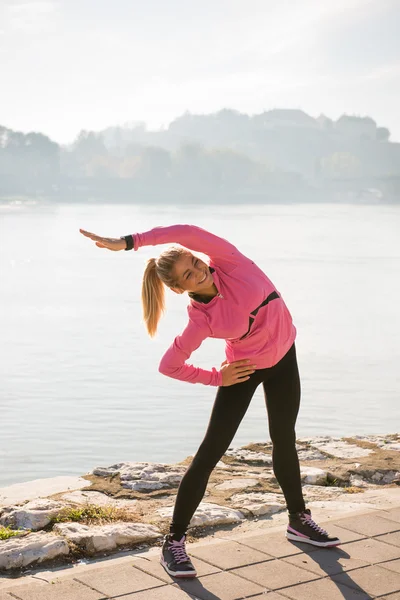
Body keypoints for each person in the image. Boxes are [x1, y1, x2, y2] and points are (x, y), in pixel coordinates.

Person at [79, 223, 340, 579]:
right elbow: (169, 365)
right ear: (177, 288)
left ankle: (299, 519)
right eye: (189, 274)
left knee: (284, 438)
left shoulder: (230, 262)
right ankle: (173, 542)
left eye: (195, 262)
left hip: (284, 359)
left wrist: (129, 243)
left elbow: (184, 231)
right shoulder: (201, 319)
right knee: (209, 455)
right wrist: (218, 377)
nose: (199, 270)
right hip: (245, 370)